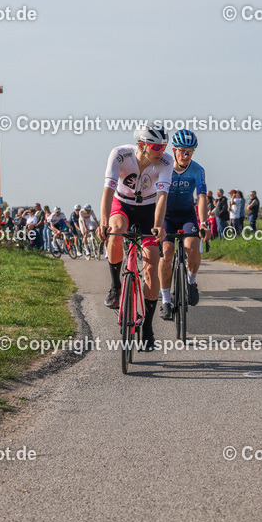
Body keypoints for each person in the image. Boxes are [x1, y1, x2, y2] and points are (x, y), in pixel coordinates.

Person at [98, 122, 172, 351]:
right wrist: (103, 222)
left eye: (164, 146)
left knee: (151, 263)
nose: (161, 151)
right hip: (122, 205)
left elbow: (162, 196)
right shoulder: (120, 155)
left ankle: (148, 327)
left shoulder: (166, 162)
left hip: (149, 209)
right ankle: (115, 286)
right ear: (141, 145)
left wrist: (158, 226)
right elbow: (108, 190)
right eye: (156, 147)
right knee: (116, 231)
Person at [158, 129, 209, 320]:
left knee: (192, 247)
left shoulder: (198, 170)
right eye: (182, 151)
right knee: (167, 253)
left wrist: (204, 223)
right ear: (174, 150)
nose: (186, 155)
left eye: (190, 152)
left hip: (187, 215)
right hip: (166, 216)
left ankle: (191, 281)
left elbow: (201, 197)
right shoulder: (163, 167)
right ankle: (165, 300)